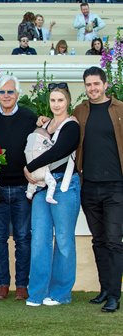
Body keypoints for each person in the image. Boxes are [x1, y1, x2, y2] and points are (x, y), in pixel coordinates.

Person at [24, 83, 80, 307]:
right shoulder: (45, 124)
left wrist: (30, 168)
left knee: (64, 241)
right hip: (40, 187)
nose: (56, 104)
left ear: (68, 102)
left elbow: (60, 151)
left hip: (64, 186)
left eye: (60, 100)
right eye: (53, 100)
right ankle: (37, 293)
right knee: (39, 240)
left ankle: (60, 293)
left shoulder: (71, 125)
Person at [0, 75, 37, 301]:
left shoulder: (30, 118)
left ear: (18, 94)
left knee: (23, 237)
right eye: (2, 92)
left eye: (10, 92)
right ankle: (3, 284)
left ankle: (22, 285)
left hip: (24, 188)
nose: (6, 96)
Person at [74, 66, 123, 313]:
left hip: (116, 187)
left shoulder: (120, 109)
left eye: (96, 84)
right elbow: (62, 127)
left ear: (105, 84)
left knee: (114, 241)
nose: (92, 88)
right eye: (88, 84)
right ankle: (105, 289)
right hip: (89, 187)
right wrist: (43, 121)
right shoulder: (80, 111)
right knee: (99, 240)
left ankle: (115, 294)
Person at [24, 128, 58, 204]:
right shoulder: (44, 141)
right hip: (43, 171)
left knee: (32, 183)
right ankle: (49, 196)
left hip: (31, 173)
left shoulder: (30, 144)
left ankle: (29, 193)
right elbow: (52, 150)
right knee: (52, 183)